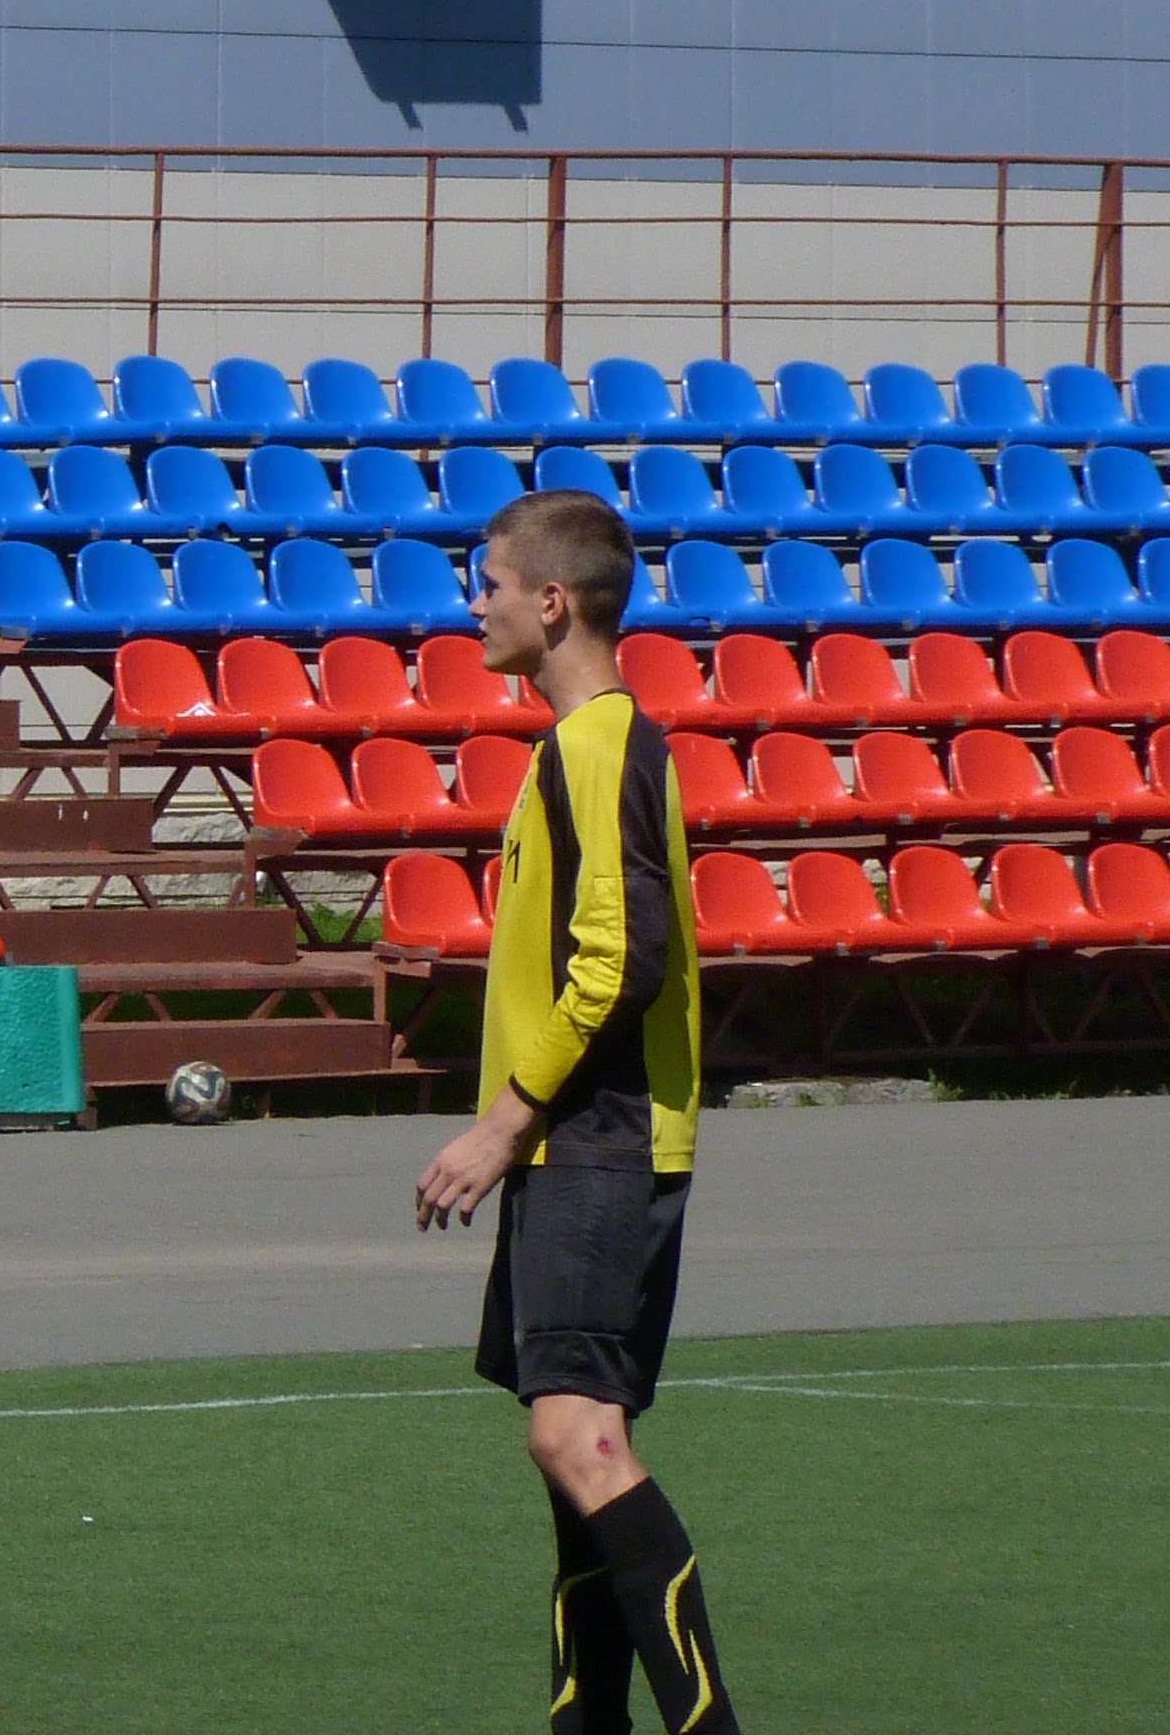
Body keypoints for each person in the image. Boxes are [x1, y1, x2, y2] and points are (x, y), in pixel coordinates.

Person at [415, 491, 736, 1734]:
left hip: (596, 1138)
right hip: (583, 1141)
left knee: (580, 1443)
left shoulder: (598, 746)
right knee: (571, 1464)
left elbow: (622, 956)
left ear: (551, 602)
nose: (474, 604)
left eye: (489, 581)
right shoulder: (584, 746)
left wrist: (505, 1121)